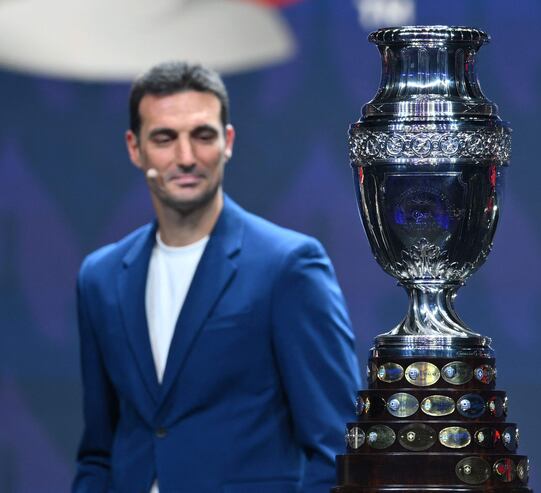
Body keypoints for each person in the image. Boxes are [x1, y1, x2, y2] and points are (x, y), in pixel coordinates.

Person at [72, 61, 360, 493]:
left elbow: (339, 445)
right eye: (165, 138)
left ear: (227, 141)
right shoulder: (101, 277)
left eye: (202, 135)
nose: (186, 157)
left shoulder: (288, 266)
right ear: (135, 148)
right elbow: (99, 449)